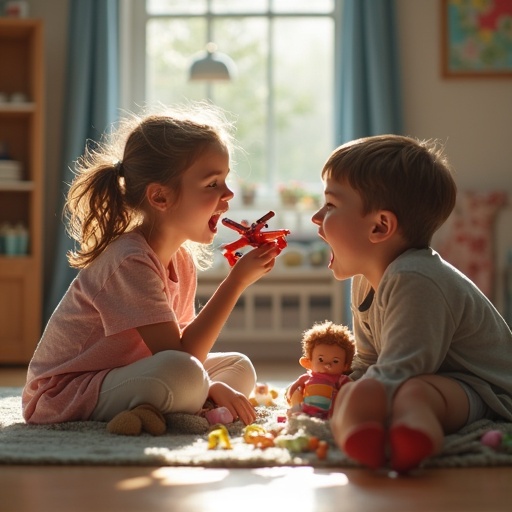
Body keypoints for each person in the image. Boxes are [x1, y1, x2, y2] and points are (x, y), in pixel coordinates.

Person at [22, 104, 282, 432]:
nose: (228, 194)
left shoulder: (182, 260)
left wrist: (207, 377)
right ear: (160, 197)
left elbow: (188, 350)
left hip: (131, 372)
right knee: (183, 374)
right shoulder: (129, 259)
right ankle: (193, 401)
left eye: (225, 180)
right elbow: (182, 356)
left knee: (238, 366)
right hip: (64, 394)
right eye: (212, 184)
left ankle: (156, 409)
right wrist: (237, 281)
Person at [311, 134, 512, 473]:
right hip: (437, 379)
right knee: (377, 388)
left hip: (490, 391)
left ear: (380, 226)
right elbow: (371, 359)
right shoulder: (365, 279)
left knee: (411, 392)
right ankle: (380, 437)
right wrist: (343, 381)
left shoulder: (415, 277)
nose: (317, 217)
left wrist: (356, 395)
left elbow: (405, 367)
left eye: (330, 205)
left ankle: (410, 439)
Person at [286, 321, 355, 419]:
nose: (327, 365)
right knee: (298, 391)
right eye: (321, 360)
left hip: (330, 413)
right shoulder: (307, 378)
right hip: (305, 409)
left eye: (335, 361)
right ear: (308, 362)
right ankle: (297, 412)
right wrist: (291, 398)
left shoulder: (340, 380)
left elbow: (352, 390)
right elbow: (293, 388)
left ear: (345, 366)